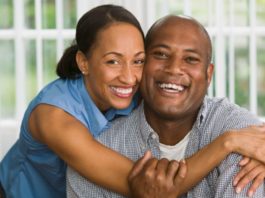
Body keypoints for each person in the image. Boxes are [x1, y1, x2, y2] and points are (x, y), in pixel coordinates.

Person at [66, 15, 265, 198]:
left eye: (190, 59)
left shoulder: (242, 133)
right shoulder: (98, 154)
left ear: (208, 74)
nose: (174, 68)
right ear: (142, 63)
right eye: (160, 54)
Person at [0, 4, 146, 198]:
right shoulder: (54, 116)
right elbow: (142, 184)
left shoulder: (129, 93)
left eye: (138, 61)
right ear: (83, 62)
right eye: (113, 61)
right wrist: (202, 160)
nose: (129, 78)